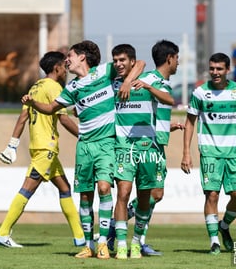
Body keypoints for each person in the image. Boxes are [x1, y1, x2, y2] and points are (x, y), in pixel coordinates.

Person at [21, 40, 145, 259]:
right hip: (84, 146)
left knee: (105, 188)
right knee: (85, 197)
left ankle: (103, 243)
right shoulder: (72, 88)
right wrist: (32, 103)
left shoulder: (104, 72)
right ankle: (88, 246)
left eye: (69, 55)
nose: (66, 60)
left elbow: (141, 63)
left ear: (81, 57)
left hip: (106, 143)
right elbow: (51, 109)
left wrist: (126, 82)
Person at [0, 51, 85, 248]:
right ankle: (2, 232)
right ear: (56, 68)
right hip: (46, 148)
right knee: (27, 189)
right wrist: (85, 136)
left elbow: (23, 118)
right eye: (64, 66)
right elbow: (64, 118)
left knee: (65, 188)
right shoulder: (54, 87)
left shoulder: (35, 87)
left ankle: (80, 238)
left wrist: (12, 144)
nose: (67, 69)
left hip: (40, 147)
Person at [181, 52, 236, 255]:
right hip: (209, 152)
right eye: (212, 68)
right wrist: (186, 153)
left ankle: (224, 226)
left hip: (233, 152)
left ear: (227, 70)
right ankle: (214, 241)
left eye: (219, 69)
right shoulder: (200, 92)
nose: (215, 72)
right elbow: (190, 123)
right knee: (212, 195)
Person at [111, 41, 181, 259]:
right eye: (178, 58)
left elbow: (162, 106)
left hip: (152, 145)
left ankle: (136, 240)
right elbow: (138, 64)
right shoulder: (122, 82)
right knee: (125, 192)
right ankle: (123, 238)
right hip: (129, 146)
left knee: (153, 194)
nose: (118, 64)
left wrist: (167, 127)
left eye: (122, 60)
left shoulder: (154, 82)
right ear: (170, 58)